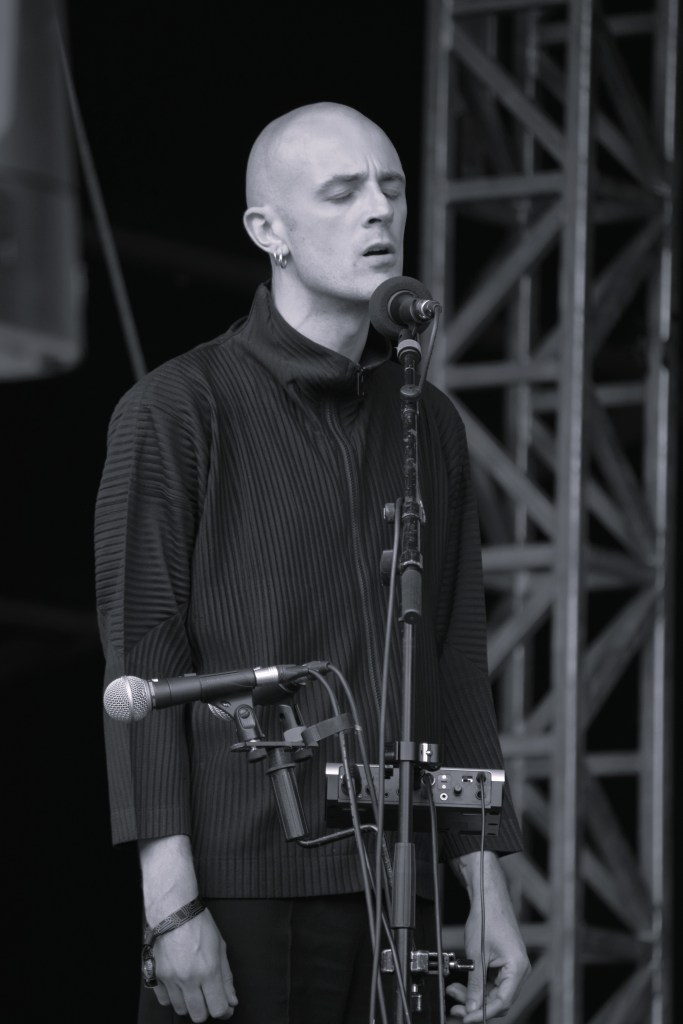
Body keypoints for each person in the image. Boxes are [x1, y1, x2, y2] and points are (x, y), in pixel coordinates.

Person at [95, 101, 530, 1024]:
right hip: (241, 885)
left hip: (401, 884)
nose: (379, 210)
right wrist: (170, 909)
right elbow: (144, 657)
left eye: (391, 188)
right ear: (269, 231)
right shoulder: (176, 408)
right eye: (342, 193)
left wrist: (483, 879)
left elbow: (453, 661)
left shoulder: (427, 419)